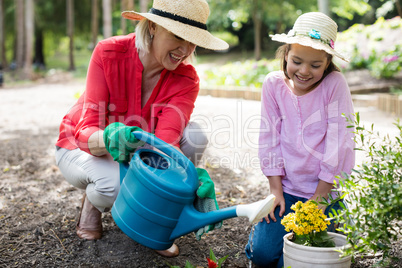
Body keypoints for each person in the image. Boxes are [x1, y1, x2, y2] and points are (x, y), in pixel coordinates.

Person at [55, 0, 228, 258]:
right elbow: (84, 132)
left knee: (195, 135)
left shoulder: (186, 78)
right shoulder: (108, 53)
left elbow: (166, 142)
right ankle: (92, 203)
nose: (185, 49)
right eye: (178, 36)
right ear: (153, 28)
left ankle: (153, 222)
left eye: (193, 41)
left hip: (138, 150)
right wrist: (110, 136)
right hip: (84, 149)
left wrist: (189, 177)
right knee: (113, 186)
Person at [245, 12, 355, 267]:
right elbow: (269, 136)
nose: (304, 71)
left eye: (315, 65)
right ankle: (256, 239)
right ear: (285, 54)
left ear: (327, 63)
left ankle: (339, 219)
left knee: (295, 261)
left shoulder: (334, 85)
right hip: (287, 190)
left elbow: (340, 142)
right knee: (263, 256)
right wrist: (275, 189)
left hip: (324, 193)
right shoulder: (273, 84)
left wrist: (320, 199)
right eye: (296, 61)